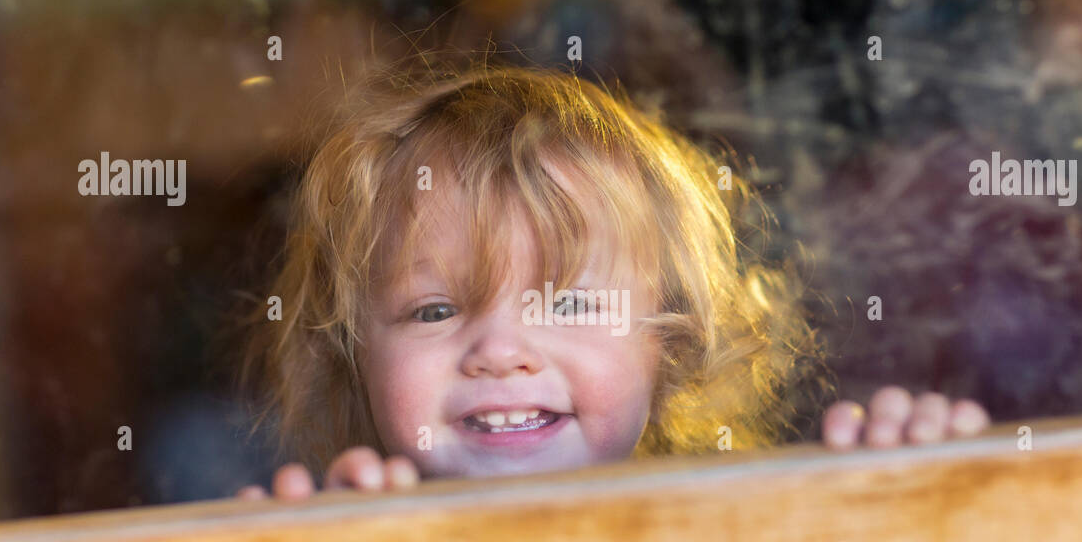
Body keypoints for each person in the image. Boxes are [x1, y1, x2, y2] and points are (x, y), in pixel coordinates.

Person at [236, 63, 988, 501]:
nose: (500, 352)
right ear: (349, 355)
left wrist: (923, 506)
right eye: (434, 310)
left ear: (675, 340)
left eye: (568, 301)